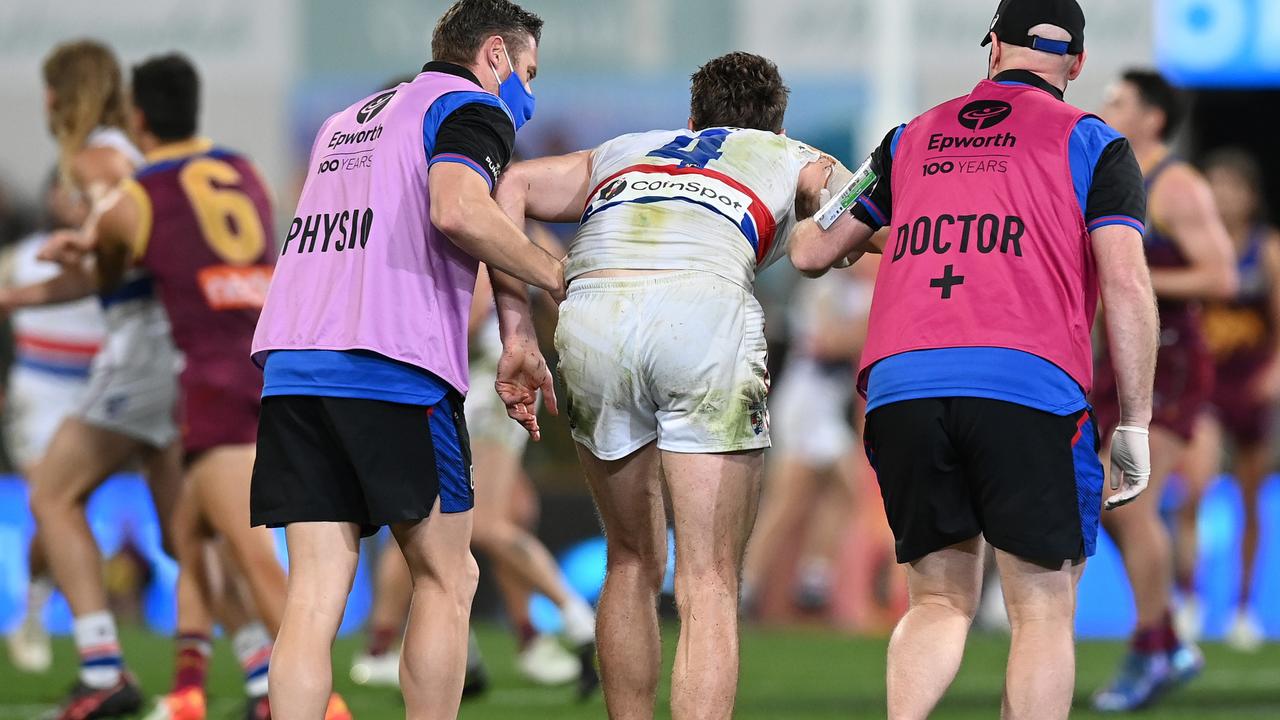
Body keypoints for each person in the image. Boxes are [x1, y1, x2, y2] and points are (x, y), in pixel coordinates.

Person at [789, 1, 1159, 717]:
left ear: (992, 46)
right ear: (1076, 64)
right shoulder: (1095, 142)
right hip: (1028, 386)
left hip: (902, 387)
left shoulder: (907, 139)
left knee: (937, 600)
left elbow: (811, 250)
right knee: (1043, 609)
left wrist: (833, 196)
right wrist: (1136, 421)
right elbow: (1126, 281)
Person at [497, 51, 843, 719]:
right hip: (702, 313)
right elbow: (853, 217)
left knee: (630, 559)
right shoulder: (793, 153)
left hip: (596, 309)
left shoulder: (625, 149)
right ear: (775, 124)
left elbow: (510, 186)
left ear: (690, 119)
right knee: (708, 579)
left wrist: (519, 330)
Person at [248, 0, 565, 715]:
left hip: (295, 367)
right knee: (448, 579)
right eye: (529, 72)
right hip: (391, 367)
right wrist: (554, 277)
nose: (529, 93)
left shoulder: (345, 121)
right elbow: (455, 210)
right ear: (494, 55)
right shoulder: (468, 109)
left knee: (314, 593)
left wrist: (516, 336)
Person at [40, 53, 346, 720]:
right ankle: (214, 688)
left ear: (139, 116)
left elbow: (113, 266)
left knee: (249, 553)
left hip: (209, 378)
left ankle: (324, 707)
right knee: (189, 532)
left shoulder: (135, 195)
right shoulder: (245, 170)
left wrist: (78, 246)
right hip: (266, 357)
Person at [1, 40, 185, 719]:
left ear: (61, 94)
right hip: (162, 346)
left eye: (50, 90)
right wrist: (17, 297)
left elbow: (132, 249)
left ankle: (102, 667)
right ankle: (263, 668)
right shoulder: (121, 153)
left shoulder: (94, 160)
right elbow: (112, 264)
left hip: (141, 348)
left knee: (52, 497)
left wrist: (86, 240)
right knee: (183, 534)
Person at [1090, 68, 1238, 711]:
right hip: (1111, 366)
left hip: (1169, 362)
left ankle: (1155, 646)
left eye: (1118, 101)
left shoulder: (1175, 185)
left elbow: (1223, 276)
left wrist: (1133, 279)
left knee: (1126, 499)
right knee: (1109, 503)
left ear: (1152, 118)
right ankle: (1167, 638)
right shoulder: (1105, 176)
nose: (1104, 108)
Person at [1175, 148, 1280, 652]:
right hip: (1206, 385)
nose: (1222, 196)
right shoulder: (1194, 247)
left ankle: (1243, 610)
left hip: (1253, 386)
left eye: (1232, 187)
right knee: (1193, 490)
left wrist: (1275, 372)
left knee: (1250, 502)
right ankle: (1188, 599)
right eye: (1213, 185)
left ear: (1251, 197)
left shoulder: (1268, 250)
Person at [1, 173, 105, 674]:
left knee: (64, 504)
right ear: (49, 198)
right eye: (65, 188)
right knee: (53, 499)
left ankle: (36, 608)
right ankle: (44, 617)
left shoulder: (112, 248)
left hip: (97, 391)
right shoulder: (19, 258)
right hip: (38, 391)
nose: (74, 198)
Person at [741, 263, 874, 616]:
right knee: (785, 502)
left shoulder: (859, 292)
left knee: (846, 489)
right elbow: (829, 342)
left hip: (827, 410)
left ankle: (814, 576)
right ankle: (749, 585)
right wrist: (869, 327)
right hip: (805, 407)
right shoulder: (824, 286)